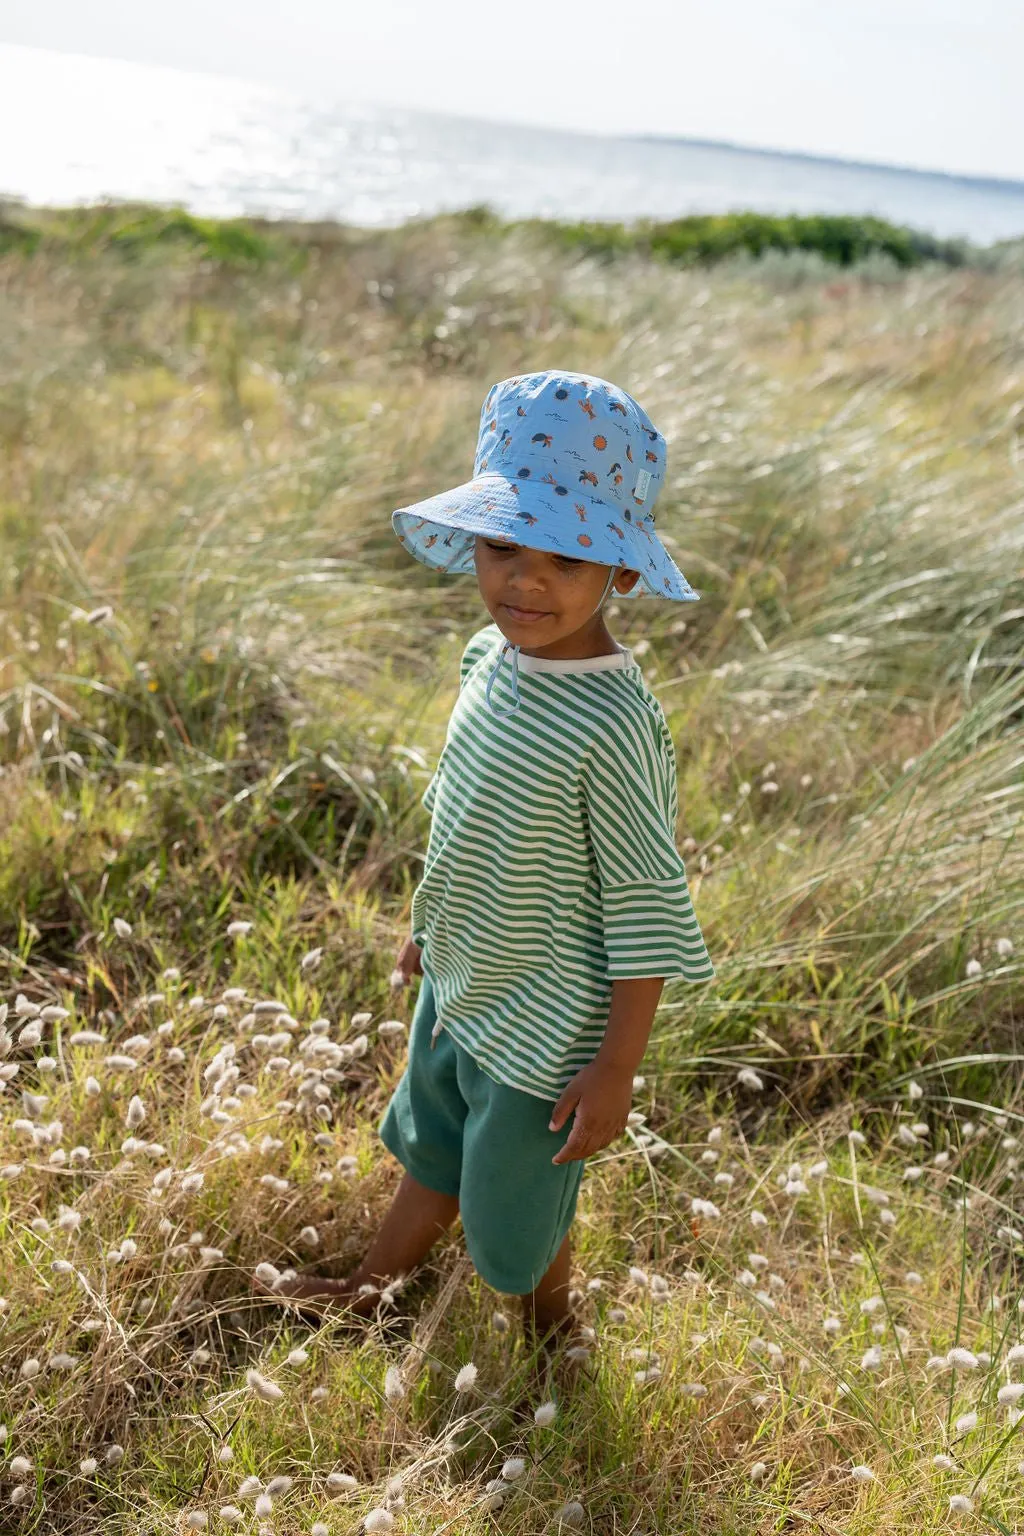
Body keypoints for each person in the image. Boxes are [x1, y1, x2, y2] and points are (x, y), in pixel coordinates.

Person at [255, 369, 715, 1355]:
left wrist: (616, 1064)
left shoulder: (613, 721)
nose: (526, 580)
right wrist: (432, 925)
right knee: (431, 1140)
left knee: (517, 1190)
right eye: (505, 546)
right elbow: (466, 814)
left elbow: (643, 897)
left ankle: (553, 1332)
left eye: (569, 556)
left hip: (552, 1019)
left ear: (621, 572)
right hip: (467, 976)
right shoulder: (485, 660)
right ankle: (373, 1291)